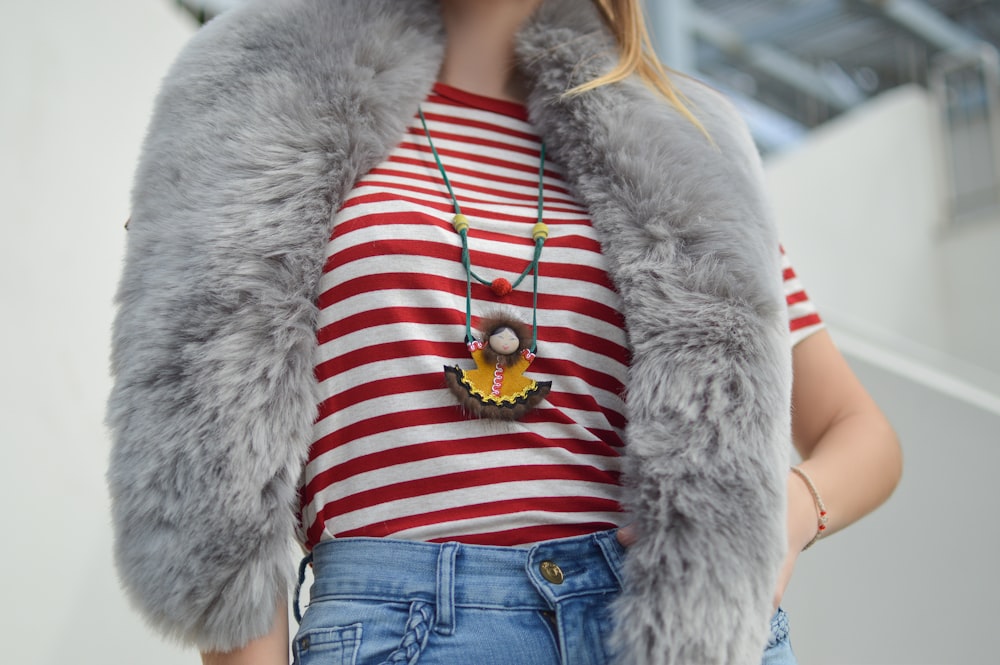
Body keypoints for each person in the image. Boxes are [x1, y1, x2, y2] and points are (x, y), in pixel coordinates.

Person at [106, 0, 902, 663]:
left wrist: (788, 511)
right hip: (404, 620)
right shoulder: (259, 100)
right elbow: (210, 465)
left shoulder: (687, 141)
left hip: (670, 623)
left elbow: (859, 431)